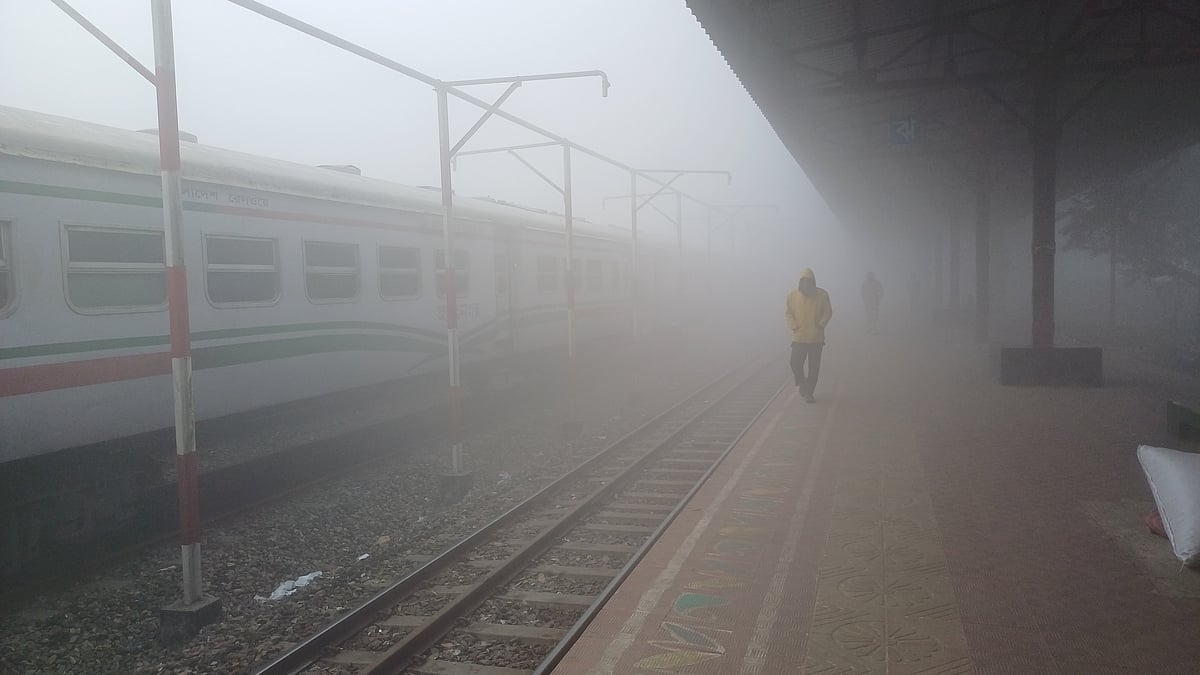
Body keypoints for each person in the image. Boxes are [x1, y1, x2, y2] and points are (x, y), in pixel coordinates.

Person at [785, 268, 833, 403]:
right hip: (799, 337)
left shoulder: (822, 294)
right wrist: (794, 326)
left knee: (814, 367)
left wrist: (821, 324)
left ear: (813, 282)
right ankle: (802, 382)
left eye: (809, 282)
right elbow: (788, 312)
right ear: (800, 283)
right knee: (794, 363)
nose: (806, 285)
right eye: (804, 282)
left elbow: (827, 311)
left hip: (816, 338)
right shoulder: (792, 295)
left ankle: (809, 393)